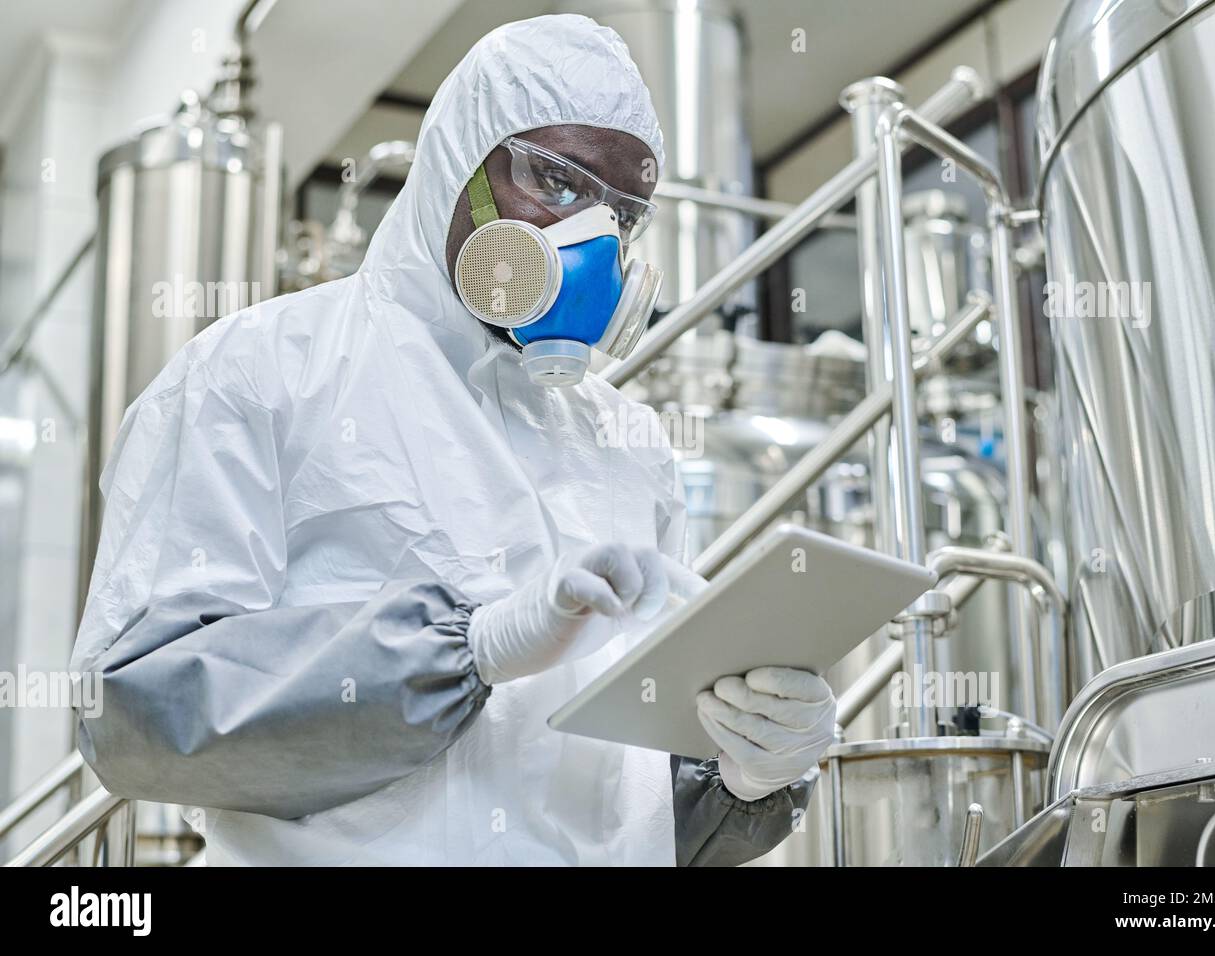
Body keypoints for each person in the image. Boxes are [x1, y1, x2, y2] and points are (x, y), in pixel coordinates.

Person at [69, 14, 835, 866]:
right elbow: (130, 715)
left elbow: (624, 816)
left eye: (625, 216)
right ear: (457, 161)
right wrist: (466, 651)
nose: (596, 244)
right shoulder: (261, 372)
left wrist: (744, 775)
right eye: (555, 181)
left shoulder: (632, 446)